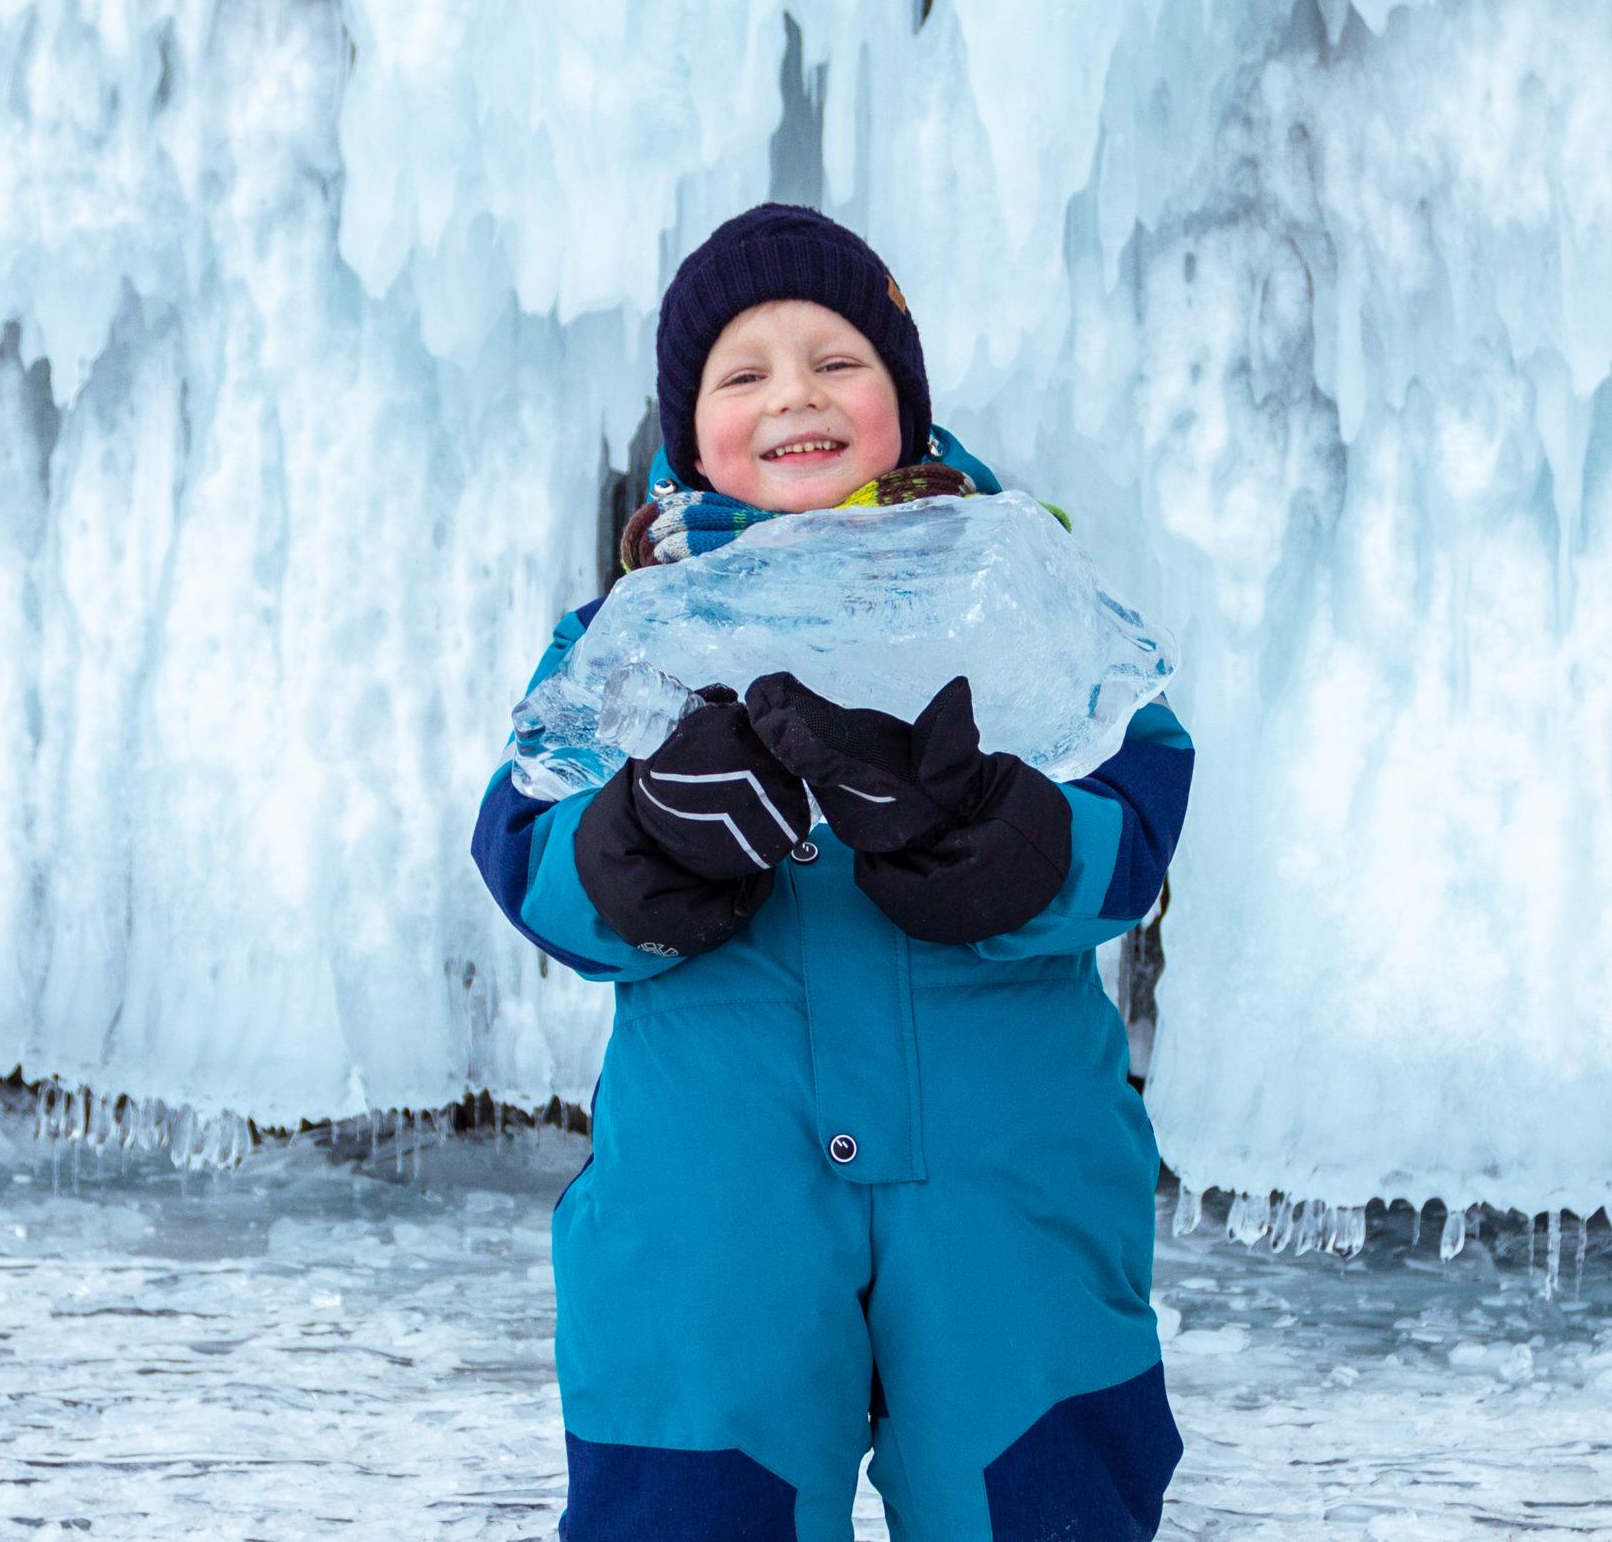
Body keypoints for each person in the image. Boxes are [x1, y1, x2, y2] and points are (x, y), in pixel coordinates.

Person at [469, 203, 1193, 1542]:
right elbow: (528, 848)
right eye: (743, 372)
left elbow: (1136, 804)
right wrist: (647, 839)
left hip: (1008, 1193)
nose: (794, 393)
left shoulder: (1020, 587)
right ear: (690, 434)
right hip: (715, 1201)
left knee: (1041, 1498)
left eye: (837, 359)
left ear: (906, 402)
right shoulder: (628, 633)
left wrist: (1007, 835)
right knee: (690, 1503)